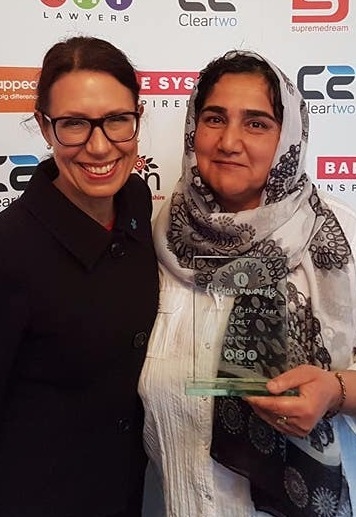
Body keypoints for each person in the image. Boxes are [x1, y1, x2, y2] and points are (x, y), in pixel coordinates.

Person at [139, 49, 356, 517]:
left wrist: (336, 391)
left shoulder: (340, 238)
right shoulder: (158, 240)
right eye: (214, 118)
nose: (230, 141)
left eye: (256, 123)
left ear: (288, 137)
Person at [0, 36, 158, 517]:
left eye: (116, 120)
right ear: (45, 128)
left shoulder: (136, 201)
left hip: (128, 495)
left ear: (137, 116)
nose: (98, 145)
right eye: (73, 124)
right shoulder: (11, 249)